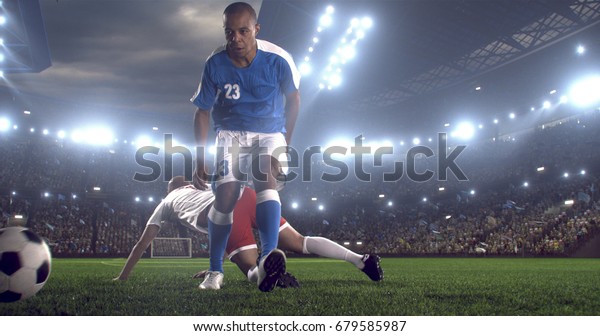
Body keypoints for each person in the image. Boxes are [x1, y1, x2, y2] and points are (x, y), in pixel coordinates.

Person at [190, 2, 301, 292]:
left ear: (256, 30)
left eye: (243, 31)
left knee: (266, 175)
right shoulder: (214, 63)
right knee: (226, 197)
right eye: (230, 32)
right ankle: (215, 271)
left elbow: (294, 99)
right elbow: (202, 111)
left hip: (270, 132)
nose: (236, 38)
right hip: (230, 133)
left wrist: (285, 143)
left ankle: (267, 260)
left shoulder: (278, 59)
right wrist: (200, 156)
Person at [113, 177, 383, 289]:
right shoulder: (201, 185)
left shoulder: (165, 202)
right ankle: (360, 259)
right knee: (301, 242)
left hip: (224, 213)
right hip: (247, 194)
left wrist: (123, 277)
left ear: (168, 190)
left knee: (251, 271)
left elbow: (140, 244)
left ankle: (266, 272)